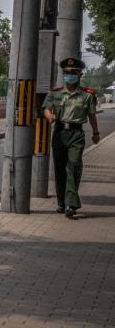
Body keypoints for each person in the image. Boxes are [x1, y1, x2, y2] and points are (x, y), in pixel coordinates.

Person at [43, 57, 101, 219]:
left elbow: (92, 115)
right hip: (60, 133)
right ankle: (61, 202)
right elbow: (46, 109)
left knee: (73, 166)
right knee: (60, 169)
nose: (69, 75)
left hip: (76, 134)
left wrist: (96, 133)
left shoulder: (87, 95)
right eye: (67, 73)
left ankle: (71, 204)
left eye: (73, 73)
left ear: (79, 74)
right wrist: (50, 116)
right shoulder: (55, 93)